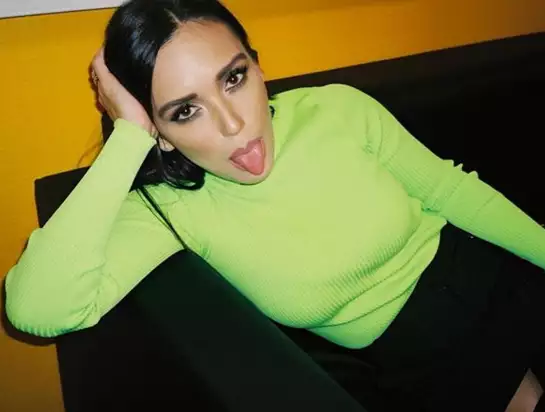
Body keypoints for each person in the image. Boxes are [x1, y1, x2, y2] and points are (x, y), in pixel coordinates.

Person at [5, 0, 545, 410]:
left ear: (259, 67)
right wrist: (127, 138)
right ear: (158, 132)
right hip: (426, 359)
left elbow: (451, 190)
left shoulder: (336, 109)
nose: (234, 124)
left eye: (234, 78)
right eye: (185, 111)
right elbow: (36, 310)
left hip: (489, 271)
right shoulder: (171, 211)